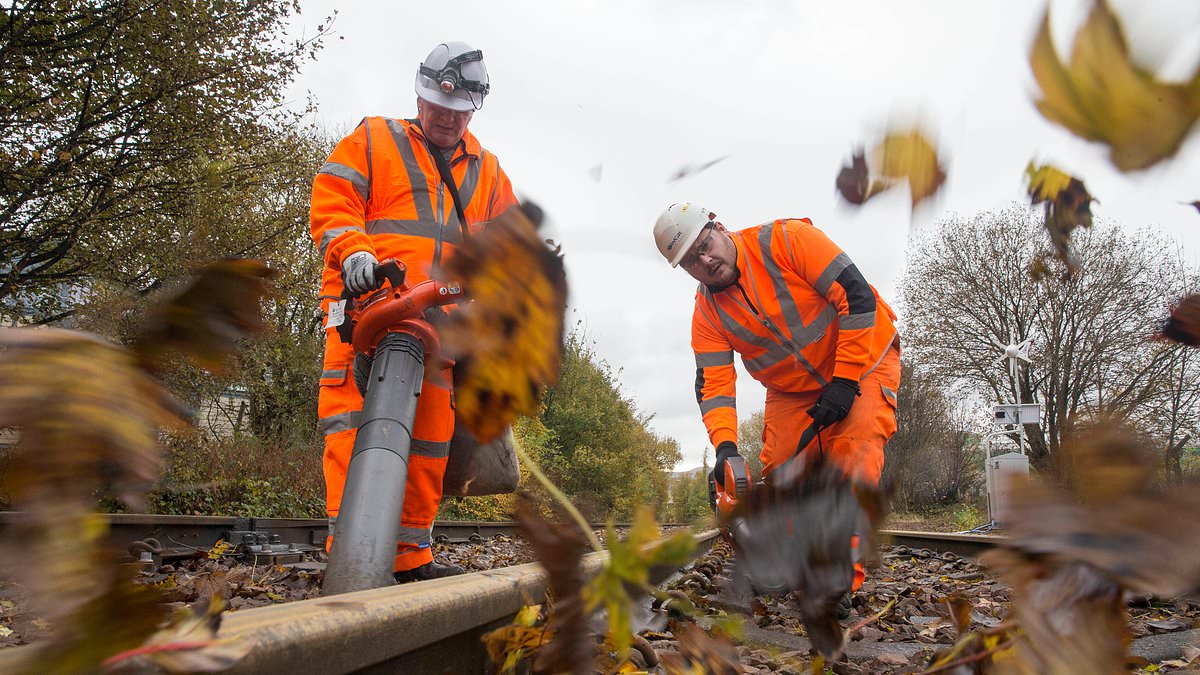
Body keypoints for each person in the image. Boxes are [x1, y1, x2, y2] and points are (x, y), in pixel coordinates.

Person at [310, 42, 517, 583]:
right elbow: (334, 201)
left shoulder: (489, 173)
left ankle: (408, 559)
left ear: (475, 107)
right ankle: (350, 559)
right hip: (366, 317)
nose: (447, 117)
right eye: (437, 104)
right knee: (353, 431)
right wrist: (354, 250)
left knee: (428, 443)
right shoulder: (375, 139)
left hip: (440, 330)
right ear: (420, 96)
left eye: (459, 108)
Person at [652, 203, 900, 593]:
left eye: (706, 245)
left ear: (719, 226)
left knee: (852, 458)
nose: (706, 260)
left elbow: (857, 296)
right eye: (692, 261)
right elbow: (714, 384)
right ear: (684, 270)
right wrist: (725, 447)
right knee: (782, 478)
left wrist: (845, 379)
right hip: (791, 390)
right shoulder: (707, 315)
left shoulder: (787, 240)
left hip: (864, 360)